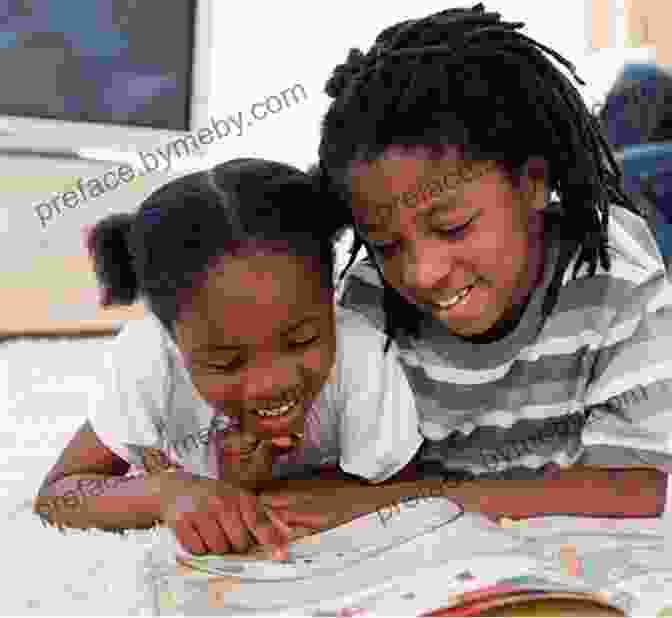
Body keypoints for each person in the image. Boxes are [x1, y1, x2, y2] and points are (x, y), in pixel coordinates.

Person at [278, 3, 672, 522]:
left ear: (533, 182)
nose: (423, 272)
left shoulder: (616, 279)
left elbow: (634, 492)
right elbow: (340, 471)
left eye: (452, 228)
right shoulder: (369, 300)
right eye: (386, 245)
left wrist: (399, 501)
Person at [32, 158, 423, 557]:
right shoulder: (150, 360)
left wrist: (262, 490)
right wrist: (163, 493)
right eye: (226, 363)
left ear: (328, 297)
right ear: (171, 336)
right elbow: (57, 496)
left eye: (303, 340)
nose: (272, 383)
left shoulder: (362, 352)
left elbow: (408, 488)